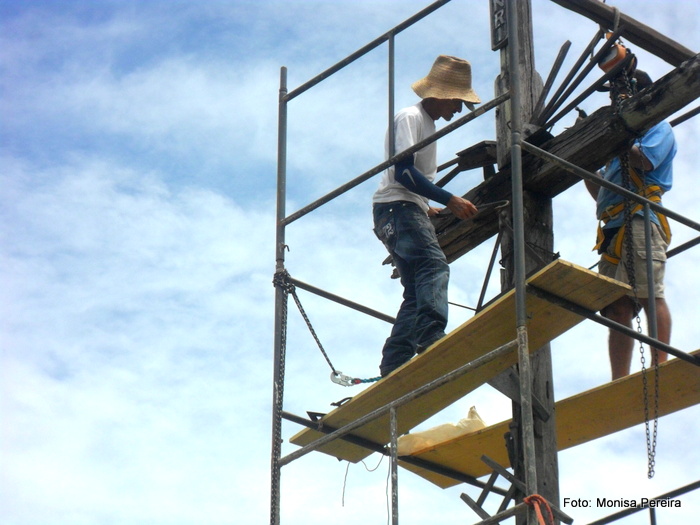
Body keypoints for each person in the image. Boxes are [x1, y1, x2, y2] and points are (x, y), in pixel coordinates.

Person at [372, 55, 480, 377]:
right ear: (441, 95)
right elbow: (403, 172)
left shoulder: (427, 123)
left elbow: (409, 179)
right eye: (456, 102)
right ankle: (431, 337)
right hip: (396, 207)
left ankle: (394, 363)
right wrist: (450, 200)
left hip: (398, 209)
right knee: (434, 266)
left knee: (416, 292)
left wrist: (424, 203)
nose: (458, 109)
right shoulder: (410, 117)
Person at [585, 70, 676, 380]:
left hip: (640, 217)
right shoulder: (617, 149)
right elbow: (601, 194)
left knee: (649, 292)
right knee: (616, 307)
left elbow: (644, 161)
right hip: (613, 225)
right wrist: (588, 164)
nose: (618, 99)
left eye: (622, 93)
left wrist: (612, 138)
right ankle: (619, 380)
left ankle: (659, 365)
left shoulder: (658, 127)